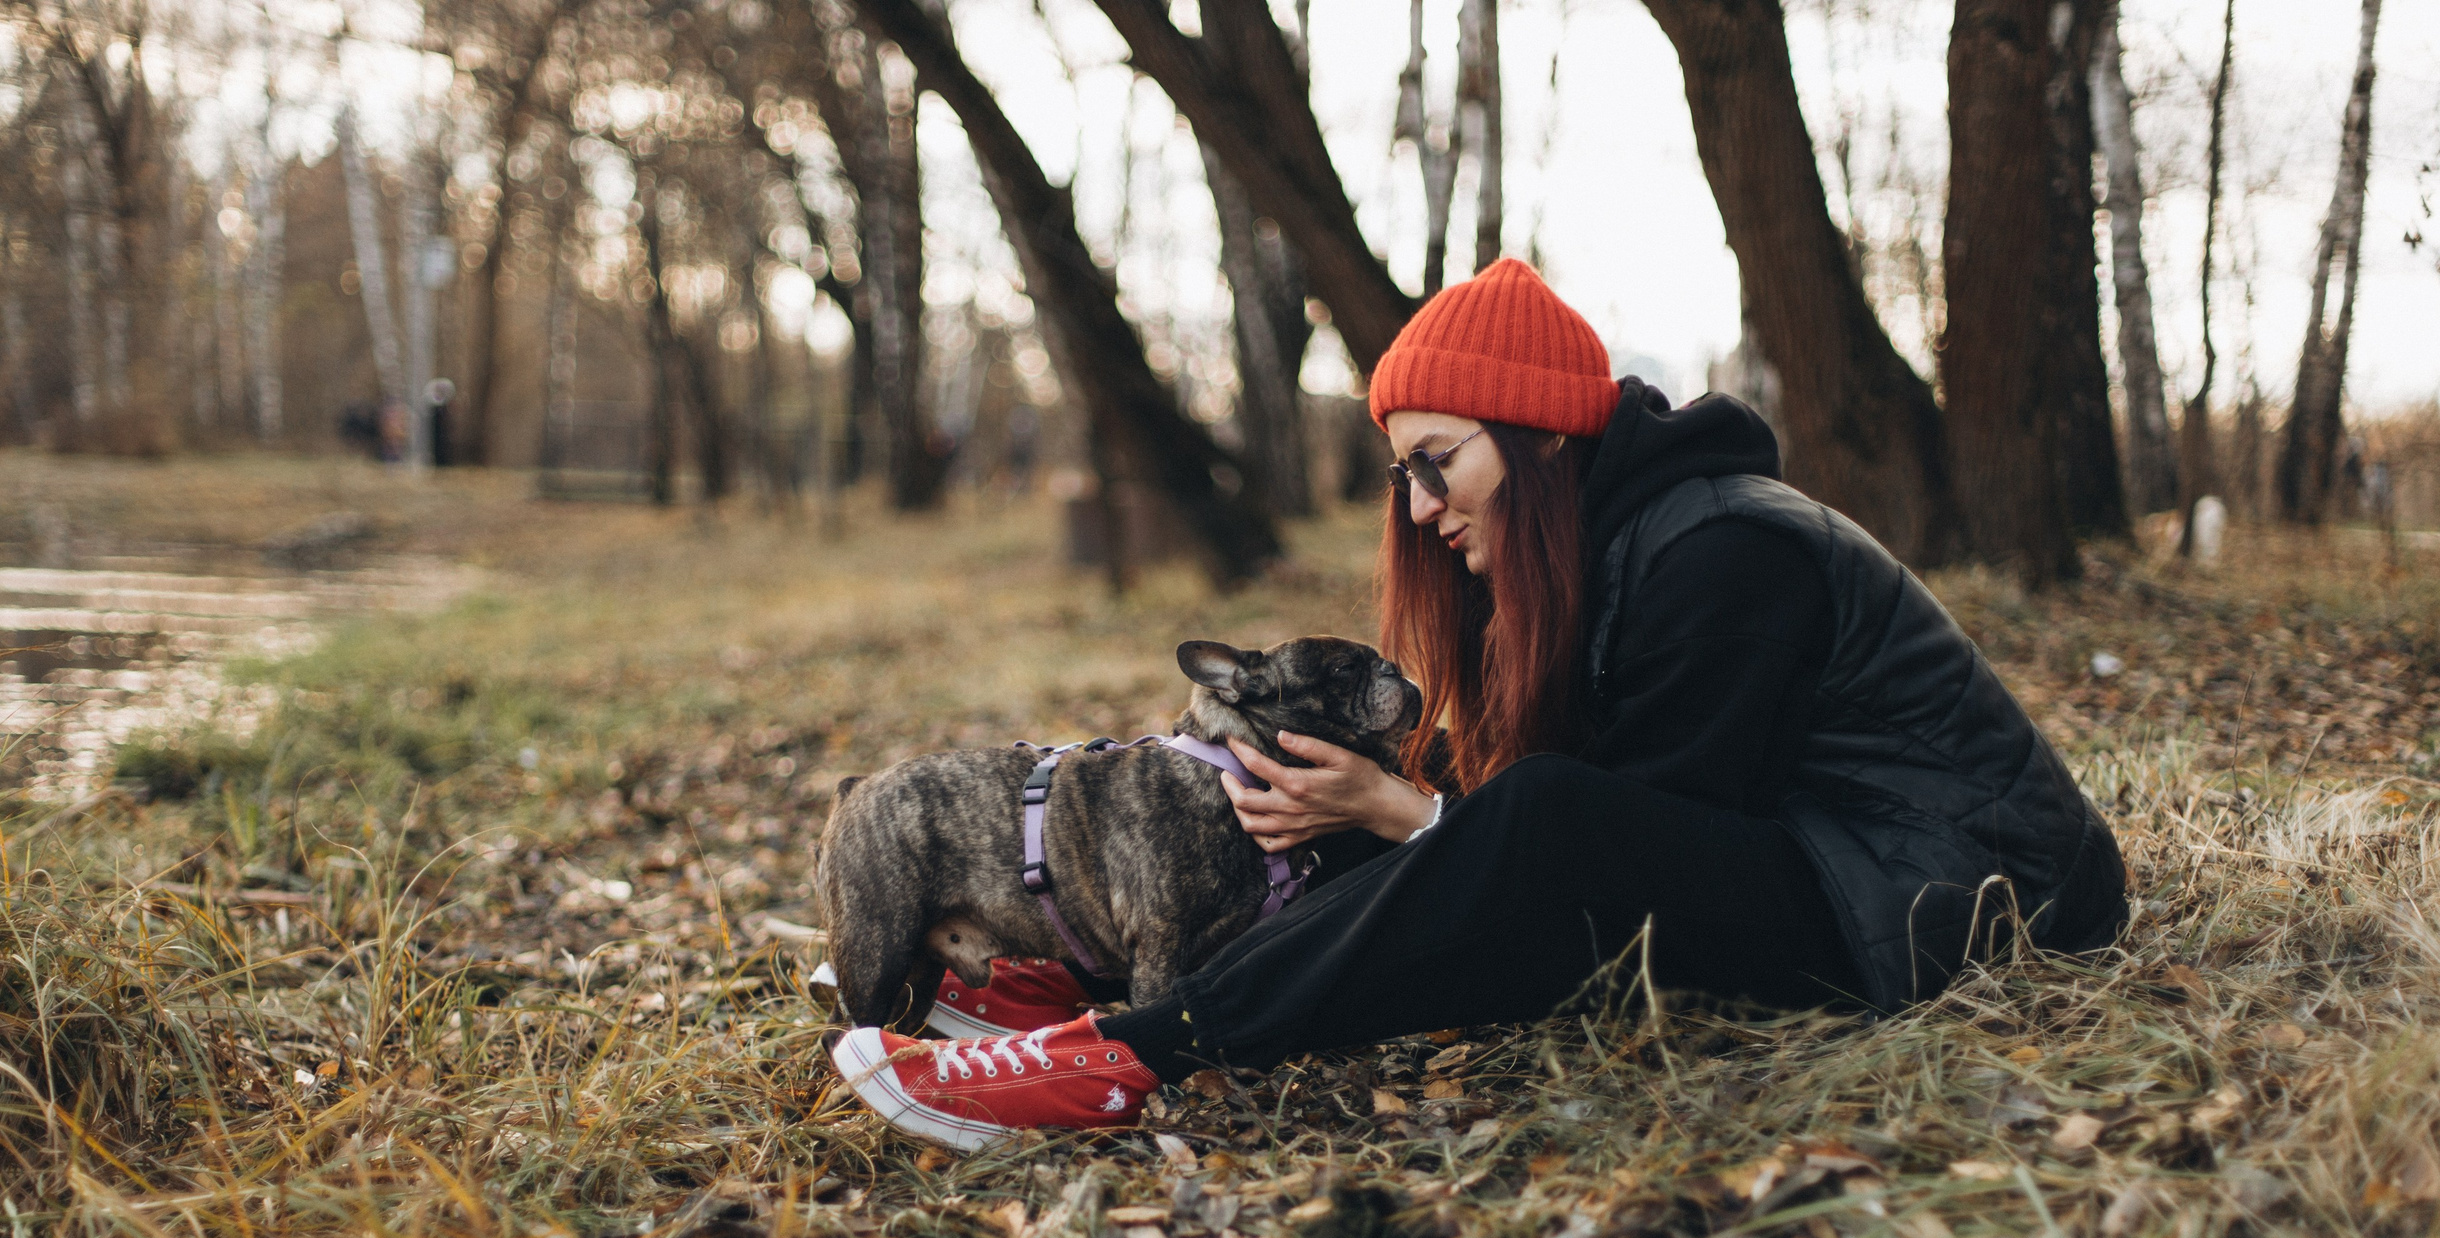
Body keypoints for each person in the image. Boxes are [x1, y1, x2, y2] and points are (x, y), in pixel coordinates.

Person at [827, 260, 2127, 1152]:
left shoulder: (1729, 549)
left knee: (1504, 811)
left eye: (1438, 465)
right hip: (1820, 871)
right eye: (1403, 474)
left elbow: (1619, 844)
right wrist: (1383, 805)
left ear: (1547, 438)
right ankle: (1092, 991)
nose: (1420, 509)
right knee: (1383, 794)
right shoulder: (1604, 558)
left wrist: (1417, 814)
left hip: (1950, 901)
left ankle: (1127, 1055)